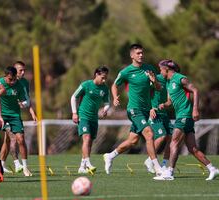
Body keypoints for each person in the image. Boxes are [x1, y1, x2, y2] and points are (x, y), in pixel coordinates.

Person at [153, 59, 219, 181]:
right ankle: (212, 169)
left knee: (174, 142)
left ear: (166, 69)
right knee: (192, 149)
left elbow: (195, 90)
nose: (160, 71)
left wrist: (195, 109)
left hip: (185, 115)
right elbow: (170, 101)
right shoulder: (168, 83)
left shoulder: (180, 78)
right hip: (182, 116)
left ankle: (169, 172)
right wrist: (164, 105)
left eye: (160, 69)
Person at [103, 44, 163, 176]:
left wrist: (155, 81)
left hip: (146, 110)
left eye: (142, 53)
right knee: (149, 134)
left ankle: (110, 156)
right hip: (134, 109)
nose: (141, 55)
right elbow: (114, 85)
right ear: (132, 56)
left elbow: (158, 89)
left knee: (133, 141)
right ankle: (158, 168)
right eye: (138, 53)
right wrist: (115, 97)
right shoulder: (126, 72)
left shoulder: (149, 69)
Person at [71, 66, 110, 174]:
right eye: (102, 77)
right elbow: (74, 97)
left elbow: (107, 103)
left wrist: (105, 109)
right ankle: (88, 164)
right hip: (83, 116)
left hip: (94, 118)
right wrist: (74, 113)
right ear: (96, 75)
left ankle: (82, 167)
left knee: (89, 143)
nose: (104, 80)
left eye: (105, 78)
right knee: (86, 138)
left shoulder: (105, 88)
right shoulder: (86, 85)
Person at [0, 61, 37, 173]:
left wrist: (32, 112)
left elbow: (26, 99)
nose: (23, 72)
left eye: (24, 70)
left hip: (15, 115)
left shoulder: (23, 83)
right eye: (21, 70)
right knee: (10, 138)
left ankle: (7, 164)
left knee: (14, 139)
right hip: (2, 115)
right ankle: (14, 164)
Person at [144, 64, 173, 173]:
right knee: (161, 136)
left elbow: (169, 101)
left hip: (164, 114)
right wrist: (150, 108)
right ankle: (149, 160)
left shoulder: (170, 81)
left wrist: (165, 105)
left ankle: (164, 164)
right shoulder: (156, 78)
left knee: (172, 137)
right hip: (154, 113)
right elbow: (146, 93)